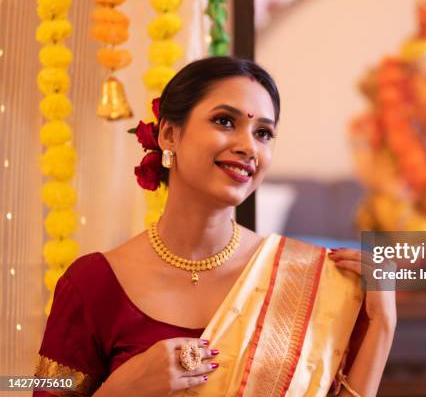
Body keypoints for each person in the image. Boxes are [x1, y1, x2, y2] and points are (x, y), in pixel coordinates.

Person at [34, 56, 396, 396]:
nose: (248, 146)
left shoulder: (307, 278)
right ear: (169, 135)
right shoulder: (93, 284)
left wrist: (383, 325)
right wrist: (121, 390)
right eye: (225, 121)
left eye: (263, 133)